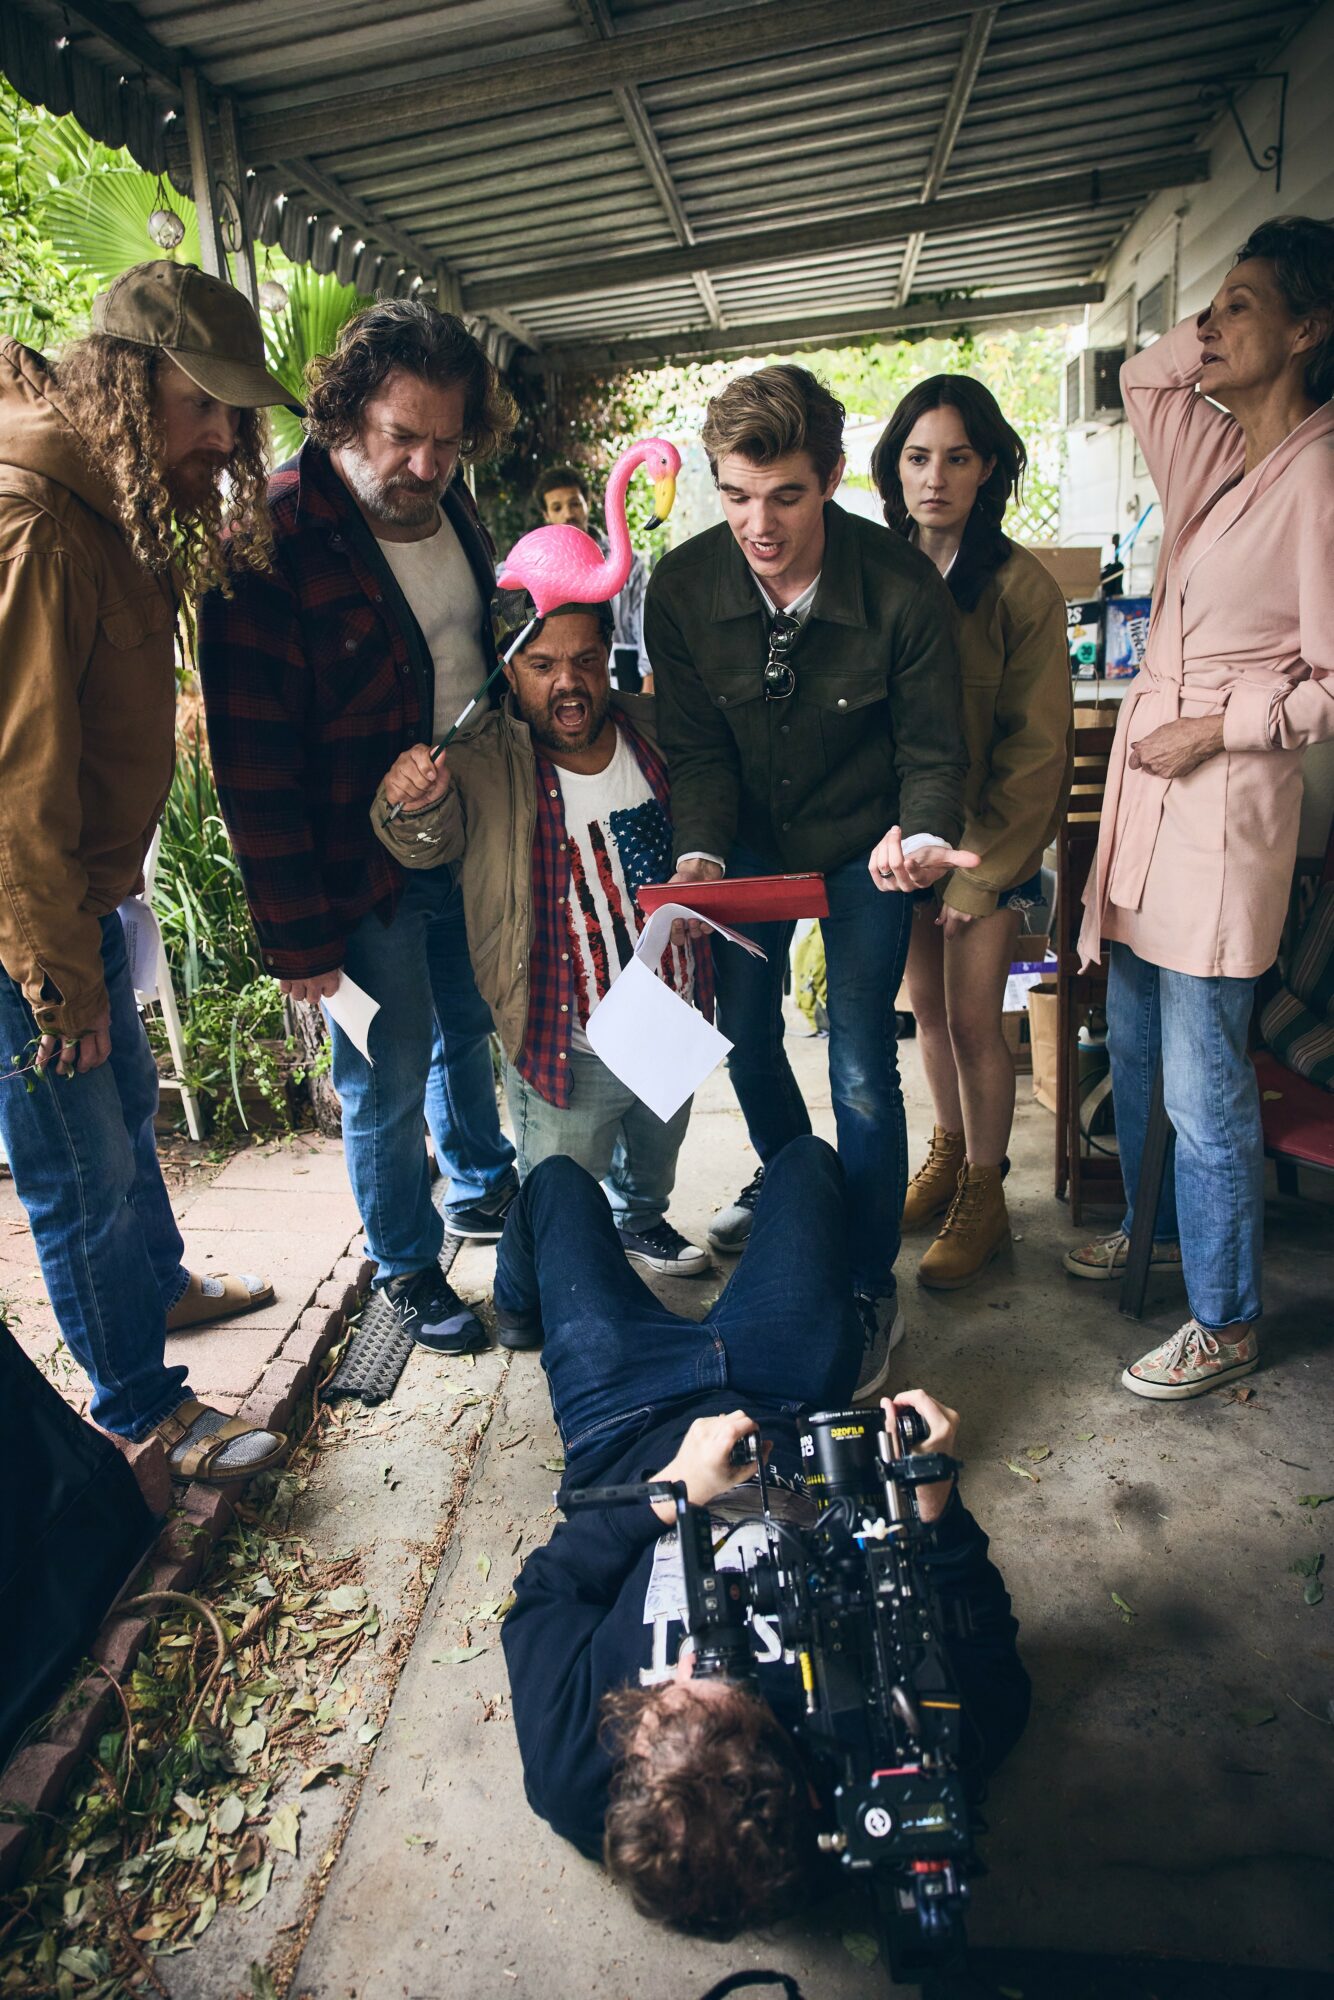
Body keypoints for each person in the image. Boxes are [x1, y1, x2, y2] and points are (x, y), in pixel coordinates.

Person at [499, 1137, 1030, 1936]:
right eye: (730, 1677)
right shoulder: (883, 1774)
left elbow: (548, 1593)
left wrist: (670, 1492)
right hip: (787, 1399)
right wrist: (937, 1504)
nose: (691, 1660)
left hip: (626, 1415)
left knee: (559, 1182)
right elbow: (992, 1665)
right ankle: (863, 1302)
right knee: (807, 1163)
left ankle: (514, 1307)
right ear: (806, 1783)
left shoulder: (574, 1777)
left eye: (661, 1699)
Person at [0, 260, 295, 1483]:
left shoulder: (111, 500)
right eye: (201, 405)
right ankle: (140, 1407)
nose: (225, 437)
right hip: (23, 916)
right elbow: (12, 784)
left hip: (81, 894)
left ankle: (156, 1283)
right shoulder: (34, 519)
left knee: (125, 1111)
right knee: (80, 1166)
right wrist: (55, 978)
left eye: (235, 412)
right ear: (127, 386)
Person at [645, 363, 975, 1397]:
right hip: (743, 841)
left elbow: (934, 751)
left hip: (866, 845)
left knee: (861, 1060)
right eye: (735, 496)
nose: (760, 525)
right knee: (742, 1039)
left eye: (786, 495)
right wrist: (699, 855)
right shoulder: (680, 588)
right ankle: (805, 1202)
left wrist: (922, 833)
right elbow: (696, 753)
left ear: (831, 478)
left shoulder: (902, 587)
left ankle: (866, 1278)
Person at [199, 301, 521, 1357]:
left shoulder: (449, 500)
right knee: (383, 1071)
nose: (426, 463)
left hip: (461, 830)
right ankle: (406, 1267)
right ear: (342, 411)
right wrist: (297, 937)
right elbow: (250, 760)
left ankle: (480, 1184)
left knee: (466, 1025)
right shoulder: (271, 537)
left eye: (447, 440)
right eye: (402, 435)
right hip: (353, 867)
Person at [1073, 216, 1334, 1399]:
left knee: (1201, 1077)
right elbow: (1138, 375)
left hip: (1220, 804)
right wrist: (1211, 328)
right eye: (1208, 305)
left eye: (1240, 306)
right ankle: (1158, 1232)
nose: (1209, 325)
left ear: (1307, 328)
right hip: (1149, 799)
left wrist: (1218, 725)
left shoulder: (1319, 475)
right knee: (1129, 1039)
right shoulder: (1214, 450)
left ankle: (1223, 1318)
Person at [372, 602, 711, 1282]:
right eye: (542, 664)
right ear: (509, 671)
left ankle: (638, 1221)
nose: (568, 681)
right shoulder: (480, 763)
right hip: (568, 1039)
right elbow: (419, 842)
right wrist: (409, 799)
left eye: (585, 660)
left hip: (670, 1016)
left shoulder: (654, 729)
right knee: (560, 1199)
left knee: (654, 1160)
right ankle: (541, 1285)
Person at [872, 378, 1072, 1288]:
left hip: (986, 847)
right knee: (926, 1015)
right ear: (895, 467)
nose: (935, 478)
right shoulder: (879, 570)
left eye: (957, 458)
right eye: (918, 458)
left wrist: (979, 873)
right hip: (903, 843)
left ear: (987, 466)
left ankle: (986, 1193)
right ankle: (950, 1153)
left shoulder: (1022, 588)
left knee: (973, 1020)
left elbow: (1036, 751)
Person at [531, 463, 652, 691]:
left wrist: (649, 679)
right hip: (566, 680)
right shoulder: (537, 565)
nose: (568, 514)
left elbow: (646, 619)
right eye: (557, 508)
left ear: (588, 504)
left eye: (575, 503)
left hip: (624, 675)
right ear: (546, 515)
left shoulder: (624, 560)